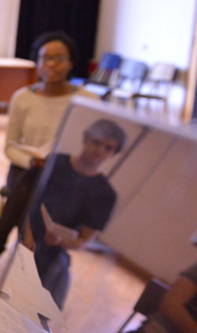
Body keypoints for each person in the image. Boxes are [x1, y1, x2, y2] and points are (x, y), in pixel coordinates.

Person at [0, 32, 98, 278]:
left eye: (59, 58)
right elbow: (10, 148)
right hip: (27, 169)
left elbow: (92, 150)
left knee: (26, 203)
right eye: (45, 58)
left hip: (65, 178)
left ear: (71, 62)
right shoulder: (23, 98)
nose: (51, 64)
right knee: (31, 184)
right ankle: (29, 265)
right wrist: (31, 160)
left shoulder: (86, 100)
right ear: (37, 63)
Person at [22, 118, 124, 308]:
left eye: (108, 148)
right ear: (86, 139)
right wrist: (27, 236)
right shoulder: (55, 162)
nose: (100, 151)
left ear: (114, 153)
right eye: (96, 143)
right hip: (26, 237)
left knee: (38, 299)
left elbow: (83, 241)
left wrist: (60, 241)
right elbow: (27, 202)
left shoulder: (106, 195)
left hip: (51, 253)